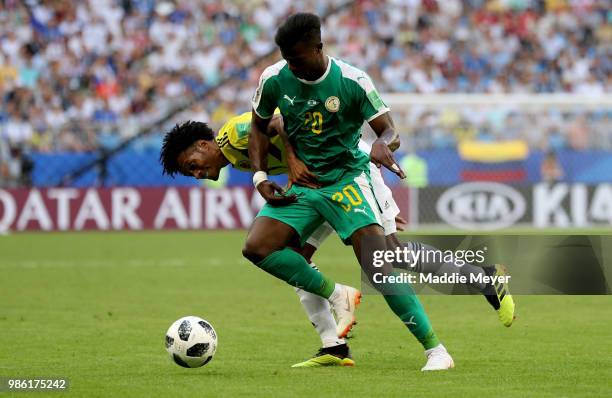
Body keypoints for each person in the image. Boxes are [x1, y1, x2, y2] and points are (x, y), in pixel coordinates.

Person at [243, 12, 452, 371]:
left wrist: (383, 145)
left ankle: (436, 351)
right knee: (257, 248)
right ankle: (337, 298)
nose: (291, 67)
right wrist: (260, 176)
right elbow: (259, 127)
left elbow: (389, 131)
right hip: (305, 186)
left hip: (347, 181)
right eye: (286, 60)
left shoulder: (353, 81)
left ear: (318, 48)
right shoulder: (275, 78)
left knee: (379, 263)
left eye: (297, 59)